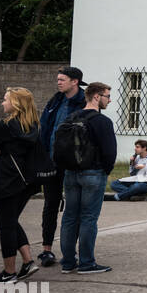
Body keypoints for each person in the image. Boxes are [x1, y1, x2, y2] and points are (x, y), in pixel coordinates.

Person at [0, 87, 46, 283]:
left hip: (7, 180)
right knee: (11, 220)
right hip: (27, 182)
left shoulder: (6, 125)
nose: (3, 103)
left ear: (16, 104)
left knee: (6, 226)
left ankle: (9, 272)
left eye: (5, 99)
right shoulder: (33, 126)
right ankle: (28, 262)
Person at [56, 81, 116, 274]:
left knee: (70, 217)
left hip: (70, 173)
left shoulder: (71, 118)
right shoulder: (102, 121)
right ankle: (87, 263)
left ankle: (67, 262)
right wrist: (105, 170)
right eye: (107, 96)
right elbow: (109, 152)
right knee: (89, 218)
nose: (109, 100)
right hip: (93, 172)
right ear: (97, 97)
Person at [36, 66, 84, 267]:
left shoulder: (83, 102)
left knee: (74, 207)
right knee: (50, 205)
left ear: (75, 81)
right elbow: (45, 127)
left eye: (62, 79)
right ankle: (46, 250)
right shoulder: (55, 101)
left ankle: (69, 251)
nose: (58, 82)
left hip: (72, 162)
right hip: (51, 159)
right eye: (58, 79)